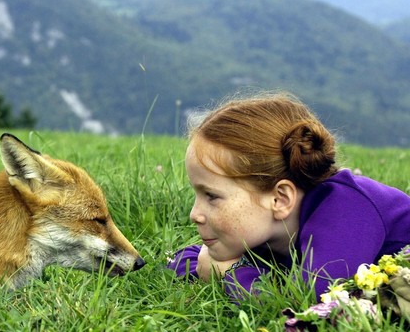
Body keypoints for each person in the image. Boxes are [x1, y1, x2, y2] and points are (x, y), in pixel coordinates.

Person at [166, 91, 410, 300]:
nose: (194, 214)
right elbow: (186, 259)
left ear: (280, 199)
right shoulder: (265, 230)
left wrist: (229, 275)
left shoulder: (346, 210)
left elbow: (310, 299)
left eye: (211, 196)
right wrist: (210, 265)